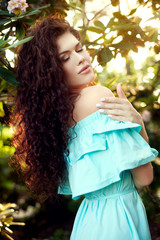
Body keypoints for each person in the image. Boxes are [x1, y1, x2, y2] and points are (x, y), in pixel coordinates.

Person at [11, 16, 158, 240]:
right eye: (65, 58)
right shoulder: (97, 97)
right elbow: (144, 177)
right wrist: (138, 124)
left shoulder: (57, 119)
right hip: (118, 221)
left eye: (79, 49)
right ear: (50, 71)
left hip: (89, 221)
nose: (80, 59)